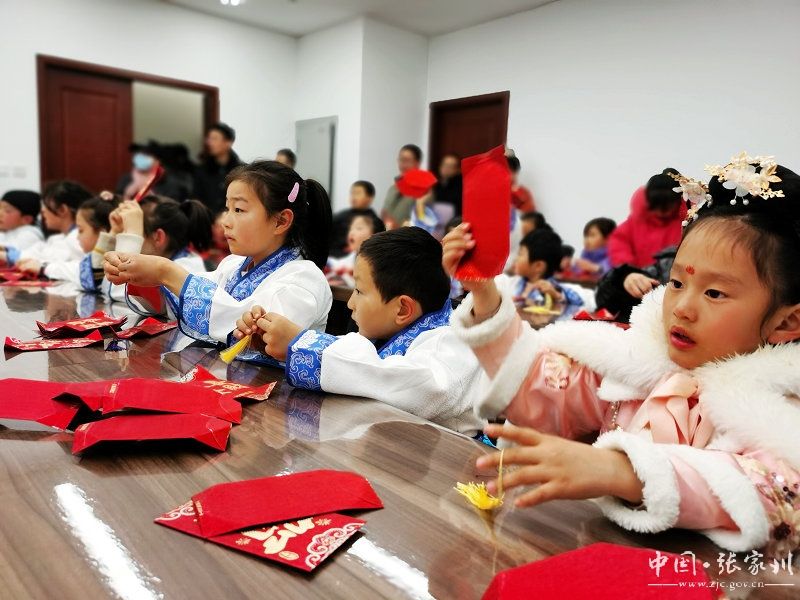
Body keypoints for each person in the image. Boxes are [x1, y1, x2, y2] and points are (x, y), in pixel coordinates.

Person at [442, 153, 800, 559]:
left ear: (787, 322)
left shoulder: (778, 409)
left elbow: (777, 491)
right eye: (677, 283)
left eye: (715, 293)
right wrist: (485, 294)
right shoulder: (636, 363)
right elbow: (546, 390)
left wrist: (625, 471)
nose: (682, 308)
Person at [234, 227, 485, 435]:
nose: (351, 303)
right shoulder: (389, 334)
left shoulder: (451, 342)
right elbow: (359, 365)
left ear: (402, 309)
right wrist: (276, 350)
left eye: (359, 291)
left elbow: (421, 388)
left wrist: (300, 343)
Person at [103, 160, 333, 363]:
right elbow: (182, 305)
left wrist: (166, 272)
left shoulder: (304, 278)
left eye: (239, 209)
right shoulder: (233, 265)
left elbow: (250, 334)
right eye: (227, 208)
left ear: (281, 221)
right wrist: (143, 277)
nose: (225, 221)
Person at [608, 168, 687, 269]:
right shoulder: (634, 224)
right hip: (640, 276)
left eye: (667, 203)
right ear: (647, 200)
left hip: (678, 276)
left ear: (679, 200)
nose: (662, 209)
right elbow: (619, 244)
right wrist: (628, 270)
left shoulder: (688, 224)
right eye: (656, 203)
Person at [11, 181, 91, 275]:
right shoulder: (59, 237)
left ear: (62, 210)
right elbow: (42, 254)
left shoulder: (77, 238)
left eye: (45, 205)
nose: (42, 210)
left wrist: (42, 267)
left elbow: (84, 270)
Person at [507, 229, 583, 307]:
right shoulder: (514, 282)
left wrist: (557, 295)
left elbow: (579, 302)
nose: (516, 258)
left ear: (538, 266)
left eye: (520, 254)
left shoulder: (552, 288)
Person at [116, 141, 191, 202]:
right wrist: (127, 195)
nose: (141, 158)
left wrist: (148, 195)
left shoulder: (171, 183)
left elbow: (171, 210)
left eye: (146, 155)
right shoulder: (126, 179)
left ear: (158, 160)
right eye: (138, 154)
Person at [193, 123, 244, 214]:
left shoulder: (241, 170)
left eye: (214, 138)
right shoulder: (202, 170)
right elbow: (196, 199)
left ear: (228, 142)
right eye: (209, 138)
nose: (209, 142)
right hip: (208, 218)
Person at [326, 209, 385, 283]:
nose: (351, 232)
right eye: (351, 229)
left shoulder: (375, 262)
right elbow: (339, 264)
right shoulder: (353, 255)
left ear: (374, 236)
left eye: (358, 228)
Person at [329, 181, 378, 258]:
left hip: (351, 258)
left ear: (369, 198)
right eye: (352, 193)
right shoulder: (343, 214)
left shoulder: (373, 221)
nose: (354, 197)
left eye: (358, 193)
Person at [382, 144, 422, 229]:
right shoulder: (393, 188)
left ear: (417, 163)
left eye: (407, 160)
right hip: (387, 231)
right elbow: (384, 211)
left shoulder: (423, 189)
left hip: (407, 233)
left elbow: (421, 219)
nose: (403, 165)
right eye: (401, 160)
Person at [0, 190, 44, 262]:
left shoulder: (30, 234)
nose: (0, 213)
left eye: (7, 211)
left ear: (26, 219)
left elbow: (10, 252)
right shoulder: (7, 230)